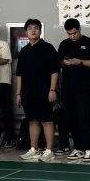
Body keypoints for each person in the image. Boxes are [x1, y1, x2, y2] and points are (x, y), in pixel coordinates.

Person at [58, 18, 90, 161]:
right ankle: (78, 148)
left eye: (74, 33)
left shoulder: (89, 43)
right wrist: (64, 63)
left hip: (84, 88)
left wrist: (80, 62)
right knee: (71, 118)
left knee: (84, 118)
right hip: (67, 88)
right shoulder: (64, 44)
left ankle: (89, 149)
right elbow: (58, 62)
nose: (72, 36)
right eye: (69, 34)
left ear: (80, 29)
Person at [16, 18, 58, 162]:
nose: (33, 30)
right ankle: (34, 149)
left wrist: (52, 89)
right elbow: (19, 74)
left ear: (40, 31)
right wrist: (18, 93)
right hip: (28, 92)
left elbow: (54, 71)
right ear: (26, 32)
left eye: (36, 28)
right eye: (30, 28)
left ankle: (49, 151)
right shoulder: (24, 51)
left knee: (46, 120)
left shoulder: (48, 48)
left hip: (44, 91)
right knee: (32, 120)